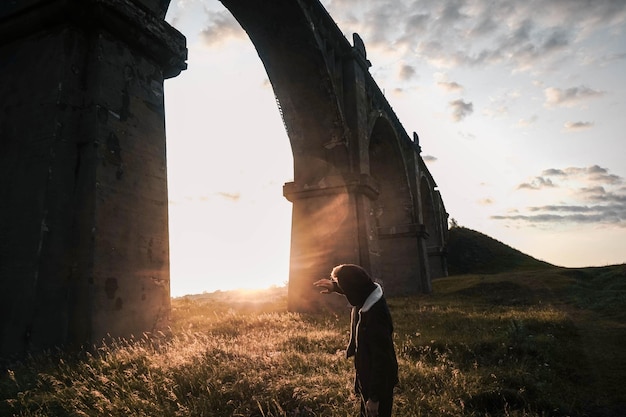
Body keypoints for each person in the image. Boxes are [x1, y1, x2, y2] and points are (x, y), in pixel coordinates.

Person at [314, 264, 398, 417]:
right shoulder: (368, 297)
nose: (345, 292)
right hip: (370, 378)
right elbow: (358, 287)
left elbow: (382, 360)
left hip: (379, 385)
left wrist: (374, 398)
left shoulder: (375, 317)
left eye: (343, 287)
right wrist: (335, 286)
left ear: (352, 289)